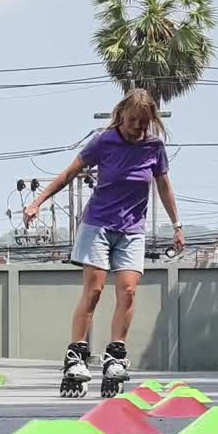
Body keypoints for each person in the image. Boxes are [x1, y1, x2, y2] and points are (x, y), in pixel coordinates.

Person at [23, 88, 184, 397]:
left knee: (129, 291)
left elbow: (164, 186)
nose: (138, 127)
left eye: (144, 122)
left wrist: (177, 225)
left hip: (132, 230)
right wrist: (38, 202)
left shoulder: (154, 147)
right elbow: (69, 173)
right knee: (94, 291)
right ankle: (76, 355)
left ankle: (115, 354)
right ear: (121, 114)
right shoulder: (104, 141)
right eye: (133, 120)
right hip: (97, 225)